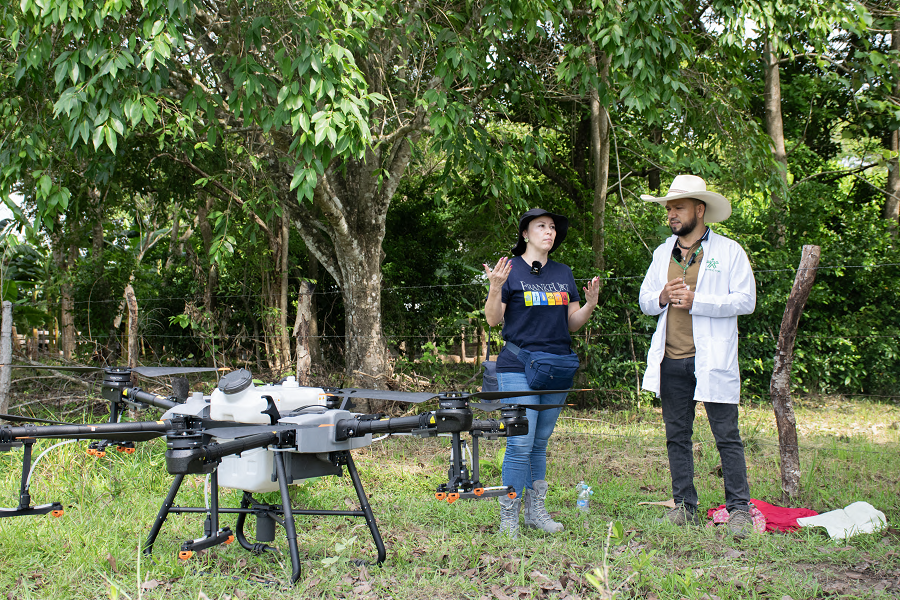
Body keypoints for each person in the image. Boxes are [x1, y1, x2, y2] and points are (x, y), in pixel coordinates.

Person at [638, 174, 757, 538]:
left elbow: (746, 301)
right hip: (671, 359)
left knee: (727, 436)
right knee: (677, 436)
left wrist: (697, 301)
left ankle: (739, 510)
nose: (671, 214)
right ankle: (685, 506)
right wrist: (661, 296)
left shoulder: (729, 251)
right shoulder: (662, 253)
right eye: (669, 209)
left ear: (699, 210)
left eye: (678, 208)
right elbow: (645, 301)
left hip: (711, 360)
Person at [484, 208, 600, 537]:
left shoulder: (563, 273)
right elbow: (493, 320)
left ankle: (536, 512)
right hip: (518, 365)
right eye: (541, 226)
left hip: (556, 367)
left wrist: (589, 303)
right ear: (525, 233)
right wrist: (495, 288)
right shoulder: (510, 270)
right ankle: (509, 516)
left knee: (539, 444)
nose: (548, 232)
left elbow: (571, 322)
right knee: (520, 443)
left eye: (552, 227)